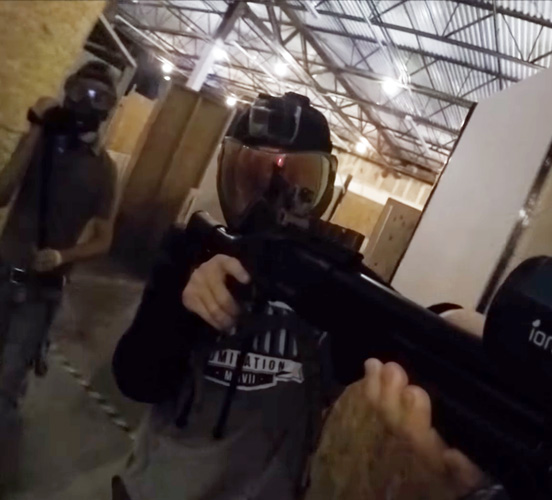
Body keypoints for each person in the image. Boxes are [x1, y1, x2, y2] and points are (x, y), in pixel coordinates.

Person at [112, 92, 486, 500]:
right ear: (227, 172)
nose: (271, 198)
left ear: (322, 189)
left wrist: (450, 322)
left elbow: (391, 323)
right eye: (253, 176)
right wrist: (182, 306)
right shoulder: (190, 251)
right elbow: (136, 379)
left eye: (297, 181)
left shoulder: (327, 285)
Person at [0, 61, 118, 463]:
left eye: (99, 97)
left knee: (6, 383)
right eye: (82, 92)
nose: (88, 103)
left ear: (109, 107)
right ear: (68, 92)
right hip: (3, 270)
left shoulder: (104, 170)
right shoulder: (40, 143)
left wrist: (62, 256)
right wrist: (37, 126)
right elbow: (3, 192)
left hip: (40, 293)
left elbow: (104, 239)